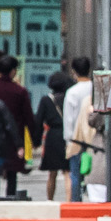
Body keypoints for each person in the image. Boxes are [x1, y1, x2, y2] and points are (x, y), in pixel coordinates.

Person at [0, 54, 36, 195]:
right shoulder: (19, 91)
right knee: (12, 173)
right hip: (14, 136)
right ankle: (10, 197)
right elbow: (28, 116)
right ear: (13, 71)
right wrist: (35, 138)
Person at [62, 57, 96, 203]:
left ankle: (76, 203)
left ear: (73, 71)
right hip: (94, 136)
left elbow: (68, 119)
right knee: (92, 171)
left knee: (75, 174)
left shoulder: (72, 92)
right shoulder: (94, 88)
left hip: (77, 138)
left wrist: (68, 140)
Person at [38, 69, 70, 200]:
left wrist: (36, 140)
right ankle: (70, 201)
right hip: (67, 134)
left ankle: (49, 200)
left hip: (52, 136)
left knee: (52, 173)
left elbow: (39, 119)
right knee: (68, 172)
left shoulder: (46, 100)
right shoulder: (69, 97)